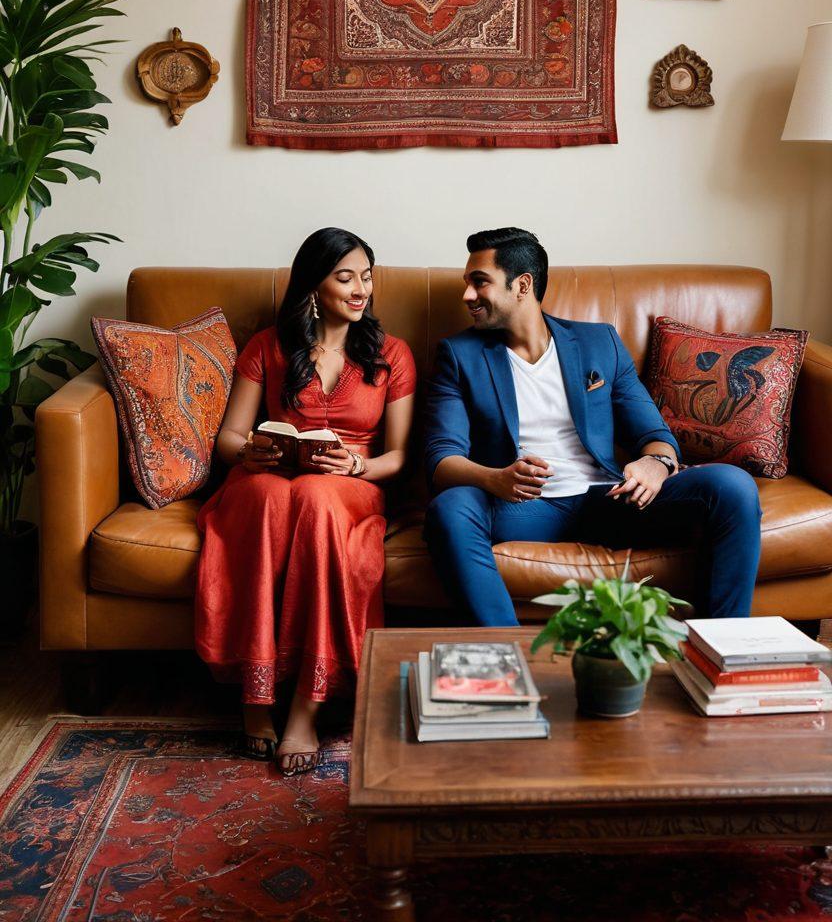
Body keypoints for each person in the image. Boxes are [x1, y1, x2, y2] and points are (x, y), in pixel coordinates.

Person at [423, 227, 762, 626]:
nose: (467, 295)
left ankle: (721, 649)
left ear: (523, 285)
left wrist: (657, 465)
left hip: (608, 500)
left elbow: (656, 437)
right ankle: (507, 655)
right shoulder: (459, 355)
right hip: (524, 507)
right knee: (451, 508)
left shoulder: (599, 342)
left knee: (733, 486)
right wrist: (496, 478)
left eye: (479, 282)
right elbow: (441, 459)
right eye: (467, 283)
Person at [196, 228, 416, 774]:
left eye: (367, 276)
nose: (361, 289)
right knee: (270, 498)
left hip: (349, 484)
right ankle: (256, 696)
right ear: (313, 287)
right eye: (345, 278)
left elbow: (400, 457)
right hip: (269, 477)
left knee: (317, 497)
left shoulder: (392, 354)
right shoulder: (269, 345)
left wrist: (357, 464)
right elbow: (228, 437)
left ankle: (305, 709)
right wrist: (252, 453)